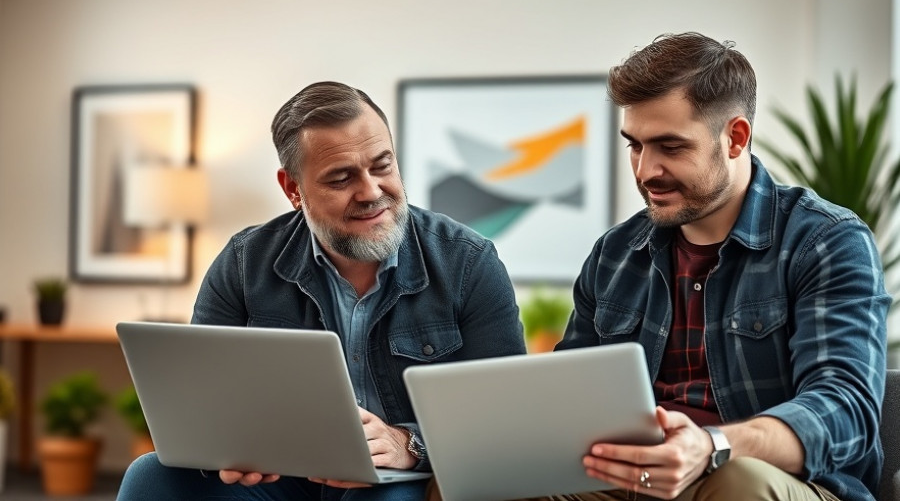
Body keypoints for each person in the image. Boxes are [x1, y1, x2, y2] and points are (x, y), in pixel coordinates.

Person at [116, 81, 526, 501]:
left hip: (400, 480)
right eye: (341, 178)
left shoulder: (468, 262)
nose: (370, 191)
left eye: (382, 165)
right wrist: (226, 449)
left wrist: (409, 444)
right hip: (283, 478)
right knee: (150, 476)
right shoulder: (243, 263)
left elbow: (506, 420)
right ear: (293, 188)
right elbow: (200, 408)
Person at [538, 31, 890, 501]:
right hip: (636, 480)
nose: (645, 171)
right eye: (635, 145)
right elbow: (569, 398)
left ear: (735, 138)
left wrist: (712, 446)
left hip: (777, 480)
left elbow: (844, 411)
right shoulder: (615, 253)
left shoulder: (826, 241)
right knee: (477, 485)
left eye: (670, 146)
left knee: (738, 481)